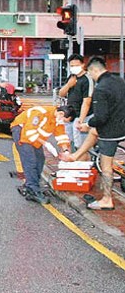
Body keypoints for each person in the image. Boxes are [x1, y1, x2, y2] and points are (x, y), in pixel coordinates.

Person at [59, 56, 125, 210]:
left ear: (95, 70)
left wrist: (86, 124)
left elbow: (100, 117)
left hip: (111, 131)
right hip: (122, 125)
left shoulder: (101, 88)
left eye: (91, 73)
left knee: (106, 166)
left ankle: (107, 200)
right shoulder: (119, 81)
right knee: (94, 132)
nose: (91, 77)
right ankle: (75, 156)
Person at [11, 105, 74, 204]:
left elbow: (61, 135)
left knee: (40, 159)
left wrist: (66, 151)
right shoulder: (40, 113)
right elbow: (29, 132)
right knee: (30, 160)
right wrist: (46, 144)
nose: (63, 123)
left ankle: (30, 185)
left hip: (34, 136)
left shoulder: (58, 119)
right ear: (61, 114)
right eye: (64, 120)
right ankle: (33, 190)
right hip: (21, 132)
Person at [58, 54, 94, 153]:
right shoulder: (71, 77)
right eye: (72, 66)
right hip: (70, 114)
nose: (74, 68)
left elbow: (87, 102)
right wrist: (69, 85)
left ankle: (84, 163)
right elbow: (61, 93)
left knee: (80, 144)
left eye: (76, 65)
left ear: (83, 65)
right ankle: (71, 162)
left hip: (83, 115)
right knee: (68, 140)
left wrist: (81, 121)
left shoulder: (87, 79)